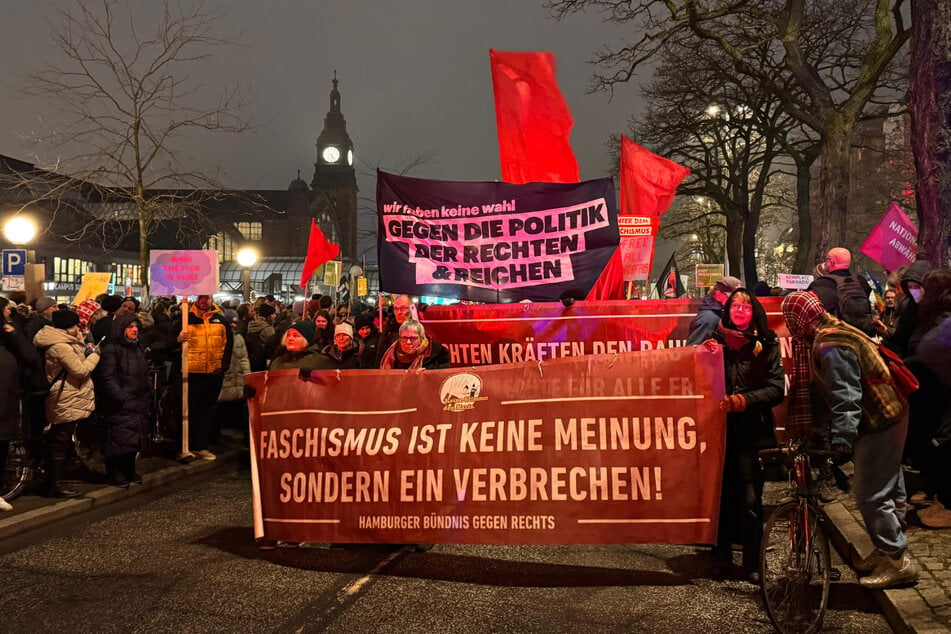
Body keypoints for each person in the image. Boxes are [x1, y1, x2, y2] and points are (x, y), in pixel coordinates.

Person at [782, 291, 918, 589]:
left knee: (871, 493)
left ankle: (897, 562)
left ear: (799, 319)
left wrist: (841, 439)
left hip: (879, 420)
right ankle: (889, 550)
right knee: (890, 487)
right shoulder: (836, 329)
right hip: (892, 412)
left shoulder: (830, 343)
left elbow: (846, 395)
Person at [709, 288, 784, 582]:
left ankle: (753, 561)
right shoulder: (714, 343)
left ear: (754, 312)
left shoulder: (766, 343)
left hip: (753, 434)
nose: (740, 310)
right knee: (721, 497)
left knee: (751, 498)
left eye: (746, 305)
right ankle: (721, 556)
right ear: (727, 310)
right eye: (735, 305)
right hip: (720, 433)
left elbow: (777, 389)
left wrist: (743, 401)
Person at [901, 268, 951, 526]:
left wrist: (905, 365)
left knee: (939, 446)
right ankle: (940, 498)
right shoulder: (931, 316)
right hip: (935, 391)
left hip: (941, 393)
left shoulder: (943, 318)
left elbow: (930, 352)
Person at [33, 309, 101, 498]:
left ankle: (54, 478)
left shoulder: (65, 340)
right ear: (67, 327)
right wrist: (95, 355)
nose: (78, 328)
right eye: (75, 325)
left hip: (70, 395)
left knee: (61, 438)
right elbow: (79, 370)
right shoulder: (60, 346)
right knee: (60, 439)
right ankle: (54, 483)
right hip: (65, 397)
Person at [174, 295, 233, 461]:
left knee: (206, 412)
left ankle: (201, 446)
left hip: (213, 374)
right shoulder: (185, 319)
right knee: (187, 411)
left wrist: (222, 367)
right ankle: (183, 446)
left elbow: (228, 345)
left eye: (207, 297)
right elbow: (170, 343)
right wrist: (177, 340)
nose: (204, 300)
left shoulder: (221, 320)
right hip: (190, 374)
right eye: (201, 297)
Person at [0, 297, 45, 511]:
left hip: (5, 403)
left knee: (1, 446)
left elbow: (31, 357)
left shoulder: (9, 339)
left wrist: (13, 333)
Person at [97, 313, 152, 488]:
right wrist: (121, 397)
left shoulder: (137, 347)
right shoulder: (112, 349)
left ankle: (129, 469)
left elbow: (143, 372)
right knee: (119, 438)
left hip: (139, 400)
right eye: (130, 327)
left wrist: (148, 392)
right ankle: (114, 471)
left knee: (134, 438)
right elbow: (107, 377)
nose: (134, 330)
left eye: (136, 326)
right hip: (122, 402)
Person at [807, 247, 874, 334]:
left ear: (831, 262)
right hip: (860, 335)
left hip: (836, 336)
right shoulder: (861, 280)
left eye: (827, 259)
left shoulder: (822, 284)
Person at [685, 276, 743, 346]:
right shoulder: (708, 319)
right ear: (718, 295)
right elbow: (693, 350)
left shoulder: (723, 312)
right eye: (732, 297)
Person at [379, 319, 450, 370]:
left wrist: (427, 376)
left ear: (421, 338)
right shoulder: (391, 353)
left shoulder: (437, 355)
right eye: (404, 338)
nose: (408, 342)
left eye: (413, 338)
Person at [269, 320, 334, 370]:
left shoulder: (318, 360)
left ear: (307, 339)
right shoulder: (279, 359)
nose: (290, 338)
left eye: (296, 335)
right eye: (288, 335)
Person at [246, 303, 277, 372]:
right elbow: (272, 346)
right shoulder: (268, 329)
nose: (275, 316)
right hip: (263, 361)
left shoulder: (251, 325)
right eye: (273, 314)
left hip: (252, 359)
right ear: (268, 316)